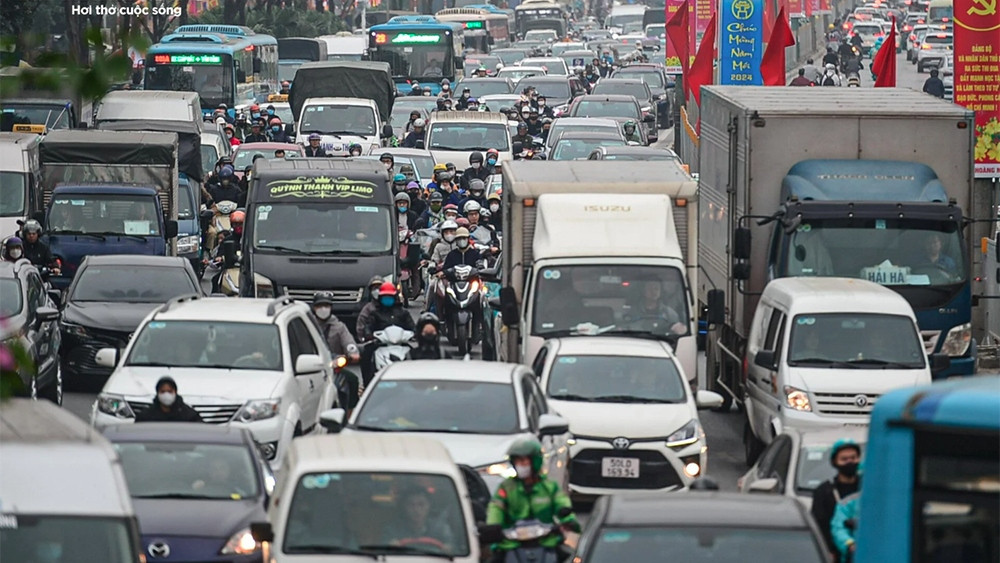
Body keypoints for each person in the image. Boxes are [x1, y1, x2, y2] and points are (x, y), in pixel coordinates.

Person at [486, 439, 580, 560]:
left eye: (524, 461)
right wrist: (492, 527)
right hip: (511, 544)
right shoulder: (506, 488)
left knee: (574, 558)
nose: (520, 465)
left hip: (547, 541)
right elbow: (496, 508)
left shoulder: (549, 487)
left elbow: (562, 503)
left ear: (535, 461)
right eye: (517, 461)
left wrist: (568, 518)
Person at [811, 439, 862, 562]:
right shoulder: (824, 492)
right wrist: (827, 550)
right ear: (835, 462)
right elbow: (819, 525)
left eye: (853, 458)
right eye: (844, 459)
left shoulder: (869, 488)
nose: (850, 462)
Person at [357, 282, 416, 384]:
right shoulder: (375, 313)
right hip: (379, 344)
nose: (387, 299)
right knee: (366, 354)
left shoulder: (403, 313)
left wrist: (415, 334)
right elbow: (368, 327)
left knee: (416, 356)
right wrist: (369, 335)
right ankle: (367, 384)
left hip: (401, 344)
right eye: (385, 297)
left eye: (390, 296)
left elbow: (412, 327)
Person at [312, 291, 361, 411]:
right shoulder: (308, 325)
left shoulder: (339, 327)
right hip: (312, 367)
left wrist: (352, 353)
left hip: (333, 367)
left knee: (352, 380)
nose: (323, 309)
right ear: (314, 308)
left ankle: (350, 414)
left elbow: (349, 343)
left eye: (326, 306)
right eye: (320, 306)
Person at [387, 486, 455, 548]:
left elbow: (452, 547)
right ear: (404, 508)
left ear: (429, 506)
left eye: (421, 504)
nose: (416, 510)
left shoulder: (441, 529)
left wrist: (448, 548)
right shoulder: (394, 529)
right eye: (411, 505)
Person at [135, 376, 203, 422]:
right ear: (158, 393)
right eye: (163, 391)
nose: (166, 395)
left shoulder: (189, 415)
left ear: (175, 392)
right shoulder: (146, 416)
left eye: (170, 391)